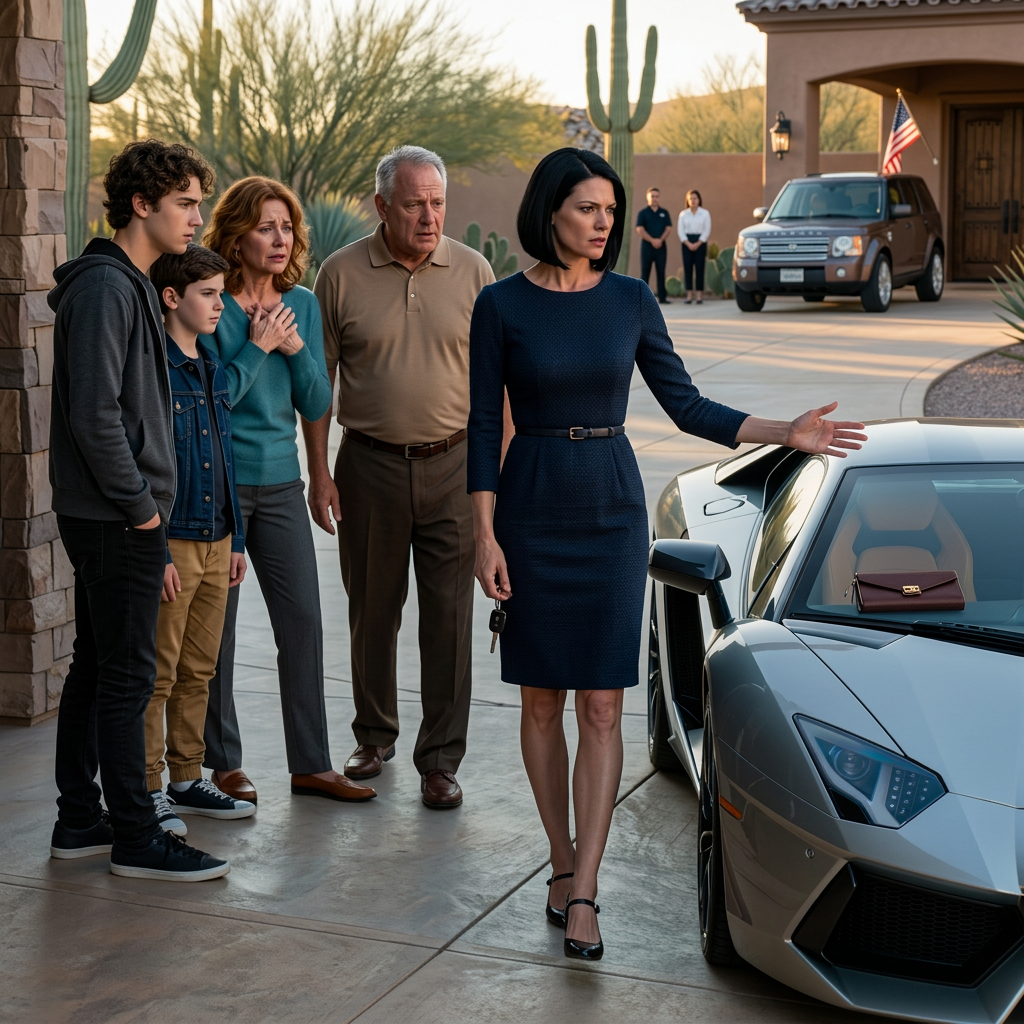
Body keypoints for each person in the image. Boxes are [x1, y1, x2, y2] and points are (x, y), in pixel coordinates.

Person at [467, 147, 867, 961]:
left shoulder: (630, 298)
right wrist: (485, 531)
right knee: (541, 700)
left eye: (610, 209)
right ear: (550, 213)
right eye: (588, 208)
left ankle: (587, 891)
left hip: (611, 508)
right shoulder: (501, 306)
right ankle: (558, 860)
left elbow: (685, 403)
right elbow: (482, 426)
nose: (604, 221)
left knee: (604, 705)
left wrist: (780, 431)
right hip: (531, 501)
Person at [47, 139, 230, 881]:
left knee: (98, 665)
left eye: (197, 202)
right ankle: (136, 835)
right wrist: (145, 514)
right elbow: (95, 417)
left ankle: (79, 820)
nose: (196, 217)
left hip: (117, 513)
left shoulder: (129, 284)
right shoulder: (105, 288)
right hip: (116, 517)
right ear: (141, 204)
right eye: (185, 202)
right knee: (127, 674)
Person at [307, 146, 494, 809]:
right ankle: (373, 735)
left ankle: (440, 760)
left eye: (438, 202)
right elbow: (318, 381)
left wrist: (494, 482)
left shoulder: (473, 271)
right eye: (414, 203)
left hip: (454, 466)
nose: (428, 216)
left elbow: (495, 386)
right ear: (381, 205)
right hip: (369, 466)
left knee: (448, 620)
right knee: (372, 611)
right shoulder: (340, 273)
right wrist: (319, 472)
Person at [200, 177, 375, 805]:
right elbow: (214, 399)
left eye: (287, 227)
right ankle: (222, 763)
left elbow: (317, 400)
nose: (281, 239)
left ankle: (311, 763)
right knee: (216, 630)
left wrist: (297, 349)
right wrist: (257, 345)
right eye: (266, 226)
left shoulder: (300, 302)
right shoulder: (211, 300)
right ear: (236, 234)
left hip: (279, 484)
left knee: (302, 621)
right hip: (218, 486)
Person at [144, 243, 256, 835]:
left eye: (221, 293)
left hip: (218, 539)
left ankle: (188, 777)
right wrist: (159, 549)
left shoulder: (211, 364)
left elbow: (223, 458)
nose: (220, 305)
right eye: (209, 295)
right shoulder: (157, 367)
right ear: (172, 297)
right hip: (177, 539)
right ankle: (147, 788)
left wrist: (235, 536)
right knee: (159, 673)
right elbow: (152, 463)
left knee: (199, 670)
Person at [635, 187, 672, 303]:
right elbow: (640, 229)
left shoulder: (664, 213)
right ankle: (643, 299)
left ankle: (662, 297)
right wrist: (652, 240)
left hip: (661, 247)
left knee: (661, 272)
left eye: (656, 196)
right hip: (647, 248)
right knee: (645, 273)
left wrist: (660, 240)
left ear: (659, 198)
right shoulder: (643, 213)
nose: (655, 199)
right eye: (652, 196)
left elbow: (668, 228)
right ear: (648, 198)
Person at [678, 189, 711, 304]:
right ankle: (689, 296)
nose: (693, 200)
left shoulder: (705, 213)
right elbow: (680, 231)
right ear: (688, 200)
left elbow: (706, 231)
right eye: (691, 198)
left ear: (699, 200)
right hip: (687, 242)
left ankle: (699, 296)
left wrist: (698, 243)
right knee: (688, 269)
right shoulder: (683, 214)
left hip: (700, 243)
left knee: (700, 268)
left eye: (695, 198)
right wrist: (688, 243)